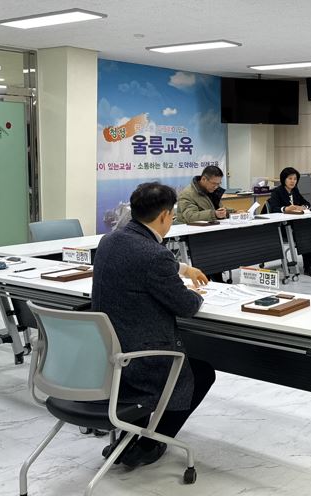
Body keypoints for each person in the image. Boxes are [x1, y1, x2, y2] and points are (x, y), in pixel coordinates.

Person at [92, 182, 216, 468]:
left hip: (110, 352)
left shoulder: (110, 240)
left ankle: (131, 437)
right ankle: (151, 442)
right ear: (163, 216)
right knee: (201, 373)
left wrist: (184, 269)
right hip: (141, 358)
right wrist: (194, 294)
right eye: (172, 216)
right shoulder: (154, 255)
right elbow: (185, 306)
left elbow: (144, 262)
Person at [268, 166, 311, 277]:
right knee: (306, 234)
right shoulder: (277, 192)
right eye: (290, 178)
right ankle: (309, 267)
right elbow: (273, 208)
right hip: (284, 227)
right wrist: (285, 209)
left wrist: (304, 206)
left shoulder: (295, 191)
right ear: (284, 179)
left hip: (298, 225)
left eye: (295, 179)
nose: (293, 181)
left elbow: (306, 203)